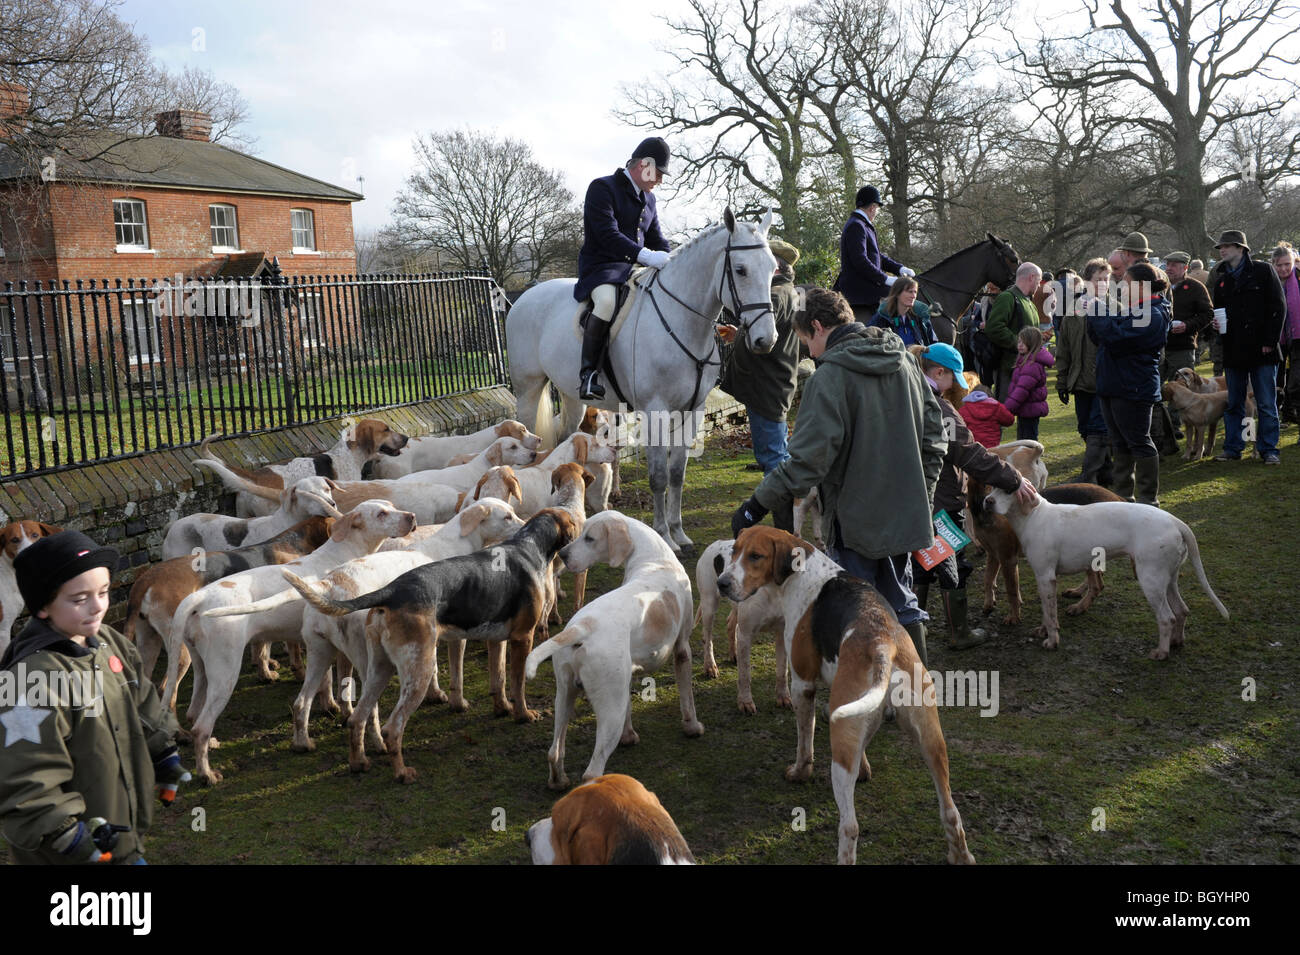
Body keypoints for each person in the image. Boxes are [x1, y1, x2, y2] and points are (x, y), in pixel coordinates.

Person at [731, 288, 945, 664]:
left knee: (853, 610)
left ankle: (859, 701)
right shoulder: (907, 362)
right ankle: (916, 694)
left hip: (854, 519)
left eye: (805, 342)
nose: (809, 354)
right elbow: (935, 438)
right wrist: (922, 496)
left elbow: (806, 463)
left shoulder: (828, 378)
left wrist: (756, 505)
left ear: (817, 327)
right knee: (902, 601)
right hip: (904, 512)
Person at [0, 531, 185, 864]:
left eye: (103, 592)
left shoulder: (107, 643)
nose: (98, 605)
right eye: (79, 598)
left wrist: (163, 751)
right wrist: (67, 836)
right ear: (43, 607)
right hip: (67, 852)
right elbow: (25, 774)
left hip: (117, 833)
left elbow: (141, 698)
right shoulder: (30, 681)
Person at [909, 343, 1037, 650]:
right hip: (939, 500)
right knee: (953, 563)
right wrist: (1012, 477)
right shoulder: (937, 408)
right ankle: (959, 632)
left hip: (911, 500)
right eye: (952, 378)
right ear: (938, 372)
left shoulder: (903, 396)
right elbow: (968, 453)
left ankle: (914, 632)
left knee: (921, 564)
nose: (954, 386)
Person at [574, 136, 674, 400]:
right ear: (644, 165)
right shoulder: (602, 188)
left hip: (634, 270)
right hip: (602, 268)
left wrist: (672, 259)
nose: (660, 180)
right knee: (606, 303)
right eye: (658, 173)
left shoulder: (649, 199)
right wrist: (646, 256)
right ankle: (588, 375)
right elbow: (607, 234)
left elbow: (656, 239)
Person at [1087, 262, 1172, 505]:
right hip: (1114, 385)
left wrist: (1096, 312)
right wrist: (1095, 313)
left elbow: (1115, 337)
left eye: (1126, 283)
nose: (1121, 287)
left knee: (1139, 442)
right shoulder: (1135, 310)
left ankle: (1148, 499)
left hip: (1133, 388)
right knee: (1119, 442)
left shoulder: (1153, 314)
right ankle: (1124, 496)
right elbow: (1102, 337)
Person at [717, 238, 804, 473]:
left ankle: (783, 509)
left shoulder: (774, 296)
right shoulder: (791, 293)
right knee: (776, 454)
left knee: (774, 460)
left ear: (774, 266)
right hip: (774, 384)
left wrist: (741, 338)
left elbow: (763, 341)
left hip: (766, 386)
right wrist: (739, 334)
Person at [1210, 230, 1286, 464]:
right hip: (1234, 349)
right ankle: (1235, 447)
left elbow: (1278, 308)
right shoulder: (1221, 278)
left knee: (1264, 402)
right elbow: (1219, 310)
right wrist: (1216, 325)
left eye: (1228, 246)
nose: (1222, 250)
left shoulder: (1263, 271)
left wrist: (1269, 342)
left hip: (1262, 349)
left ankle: (1268, 449)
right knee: (1236, 403)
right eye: (1221, 247)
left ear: (1241, 248)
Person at [1056, 258, 1113, 485]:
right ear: (1088, 281)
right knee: (1084, 428)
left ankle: (1088, 478)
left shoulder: (1116, 308)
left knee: (1098, 429)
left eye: (1107, 280)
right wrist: (1062, 381)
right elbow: (1064, 350)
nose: (1103, 284)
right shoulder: (1073, 312)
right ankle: (1107, 471)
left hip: (1106, 380)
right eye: (1099, 279)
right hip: (1080, 381)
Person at [832, 185, 915, 322]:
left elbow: (877, 256)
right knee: (902, 295)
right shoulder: (857, 225)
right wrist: (885, 279)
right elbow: (860, 260)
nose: (876, 212)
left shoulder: (862, 225)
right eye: (876, 209)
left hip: (866, 282)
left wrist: (899, 268)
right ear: (872, 207)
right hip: (859, 285)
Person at [1162, 251, 1214, 433]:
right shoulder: (1160, 285)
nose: (1169, 269)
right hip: (1160, 346)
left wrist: (1187, 326)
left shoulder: (1196, 287)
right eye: (1168, 265)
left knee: (1180, 388)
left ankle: (1175, 427)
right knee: (1158, 388)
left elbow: (1208, 313)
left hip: (1183, 345)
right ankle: (1161, 427)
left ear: (1185, 268)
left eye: (1174, 265)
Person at [983, 262, 1042, 401]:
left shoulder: (1028, 302)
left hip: (1026, 367)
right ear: (1031, 277)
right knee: (1004, 411)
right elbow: (994, 328)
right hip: (1008, 367)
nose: (1039, 286)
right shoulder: (1007, 297)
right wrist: (1020, 344)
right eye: (1038, 281)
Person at [1003, 325, 1054, 441]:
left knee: (1028, 441)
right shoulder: (1025, 360)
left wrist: (1007, 408)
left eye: (1023, 342)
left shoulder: (1032, 365)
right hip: (1025, 409)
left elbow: (1022, 390)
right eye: (1019, 341)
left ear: (1032, 344)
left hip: (1030, 410)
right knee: (1023, 440)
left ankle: (1030, 459)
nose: (1019, 345)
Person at [870, 276, 937, 347]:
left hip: (918, 357)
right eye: (910, 292)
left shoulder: (921, 316)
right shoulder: (881, 318)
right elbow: (868, 342)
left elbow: (933, 343)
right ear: (897, 293)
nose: (913, 296)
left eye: (915, 292)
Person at [1274, 243, 1300, 424]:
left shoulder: (1298, 280)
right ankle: (1282, 417)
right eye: (1279, 265)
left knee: (1296, 383)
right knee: (1276, 383)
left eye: (1287, 264)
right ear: (1273, 264)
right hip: (1277, 339)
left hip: (1298, 338)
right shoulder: (1269, 282)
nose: (1284, 269)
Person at [960, 374, 1015, 448]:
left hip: (973, 448)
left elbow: (959, 427)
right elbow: (1010, 420)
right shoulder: (996, 407)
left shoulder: (964, 409)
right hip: (993, 448)